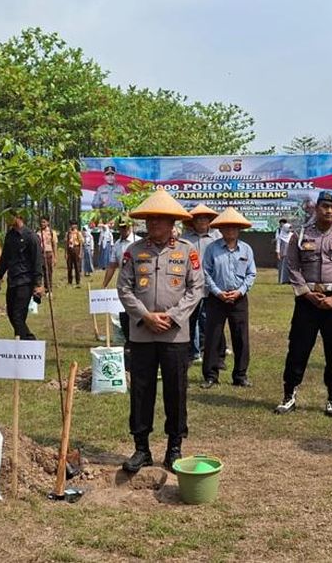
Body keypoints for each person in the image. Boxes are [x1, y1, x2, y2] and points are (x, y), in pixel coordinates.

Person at [117, 189, 203, 472]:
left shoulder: (187, 252)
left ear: (171, 224)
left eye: (160, 220)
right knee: (141, 389)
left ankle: (174, 447)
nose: (154, 224)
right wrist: (145, 316)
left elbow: (196, 289)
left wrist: (172, 316)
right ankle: (141, 448)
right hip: (142, 332)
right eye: (150, 220)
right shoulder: (134, 251)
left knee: (176, 390)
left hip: (175, 334)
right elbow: (124, 288)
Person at [274, 190, 332, 417]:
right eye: (324, 206)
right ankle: (289, 395)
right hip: (307, 301)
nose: (328, 211)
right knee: (298, 349)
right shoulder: (300, 235)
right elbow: (292, 266)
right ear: (316, 208)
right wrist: (305, 293)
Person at [200, 207, 257, 388]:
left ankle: (240, 375)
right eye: (226, 227)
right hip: (216, 299)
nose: (230, 231)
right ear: (221, 230)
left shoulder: (246, 250)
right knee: (212, 336)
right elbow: (206, 272)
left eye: (234, 227)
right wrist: (218, 292)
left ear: (239, 229)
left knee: (241, 337)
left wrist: (240, 291)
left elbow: (251, 274)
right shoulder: (212, 249)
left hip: (239, 298)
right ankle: (210, 375)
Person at [0, 206, 45, 341]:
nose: (7, 220)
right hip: (13, 280)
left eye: (9, 217)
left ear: (18, 217)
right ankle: (29, 340)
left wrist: (38, 284)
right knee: (11, 313)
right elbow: (5, 258)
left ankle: (25, 344)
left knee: (18, 315)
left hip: (26, 281)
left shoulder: (31, 236)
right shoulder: (10, 236)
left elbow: (37, 261)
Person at [183, 204, 221, 364]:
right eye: (198, 219)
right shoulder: (185, 238)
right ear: (193, 222)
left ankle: (213, 353)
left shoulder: (216, 236)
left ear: (209, 221)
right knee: (191, 319)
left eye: (204, 219)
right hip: (191, 285)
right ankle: (193, 352)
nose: (201, 222)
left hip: (211, 285)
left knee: (210, 321)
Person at [102, 218, 140, 347]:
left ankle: (137, 341)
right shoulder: (117, 244)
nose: (123, 230)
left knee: (137, 313)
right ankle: (129, 341)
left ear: (130, 227)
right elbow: (112, 266)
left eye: (125, 227)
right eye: (121, 228)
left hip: (139, 284)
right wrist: (104, 285)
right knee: (124, 316)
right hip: (124, 285)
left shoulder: (139, 241)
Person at [38, 216, 58, 293]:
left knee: (48, 273)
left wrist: (55, 257)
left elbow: (54, 245)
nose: (42, 223)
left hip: (48, 253)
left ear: (48, 222)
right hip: (40, 254)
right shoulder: (38, 232)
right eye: (41, 222)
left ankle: (49, 290)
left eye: (44, 222)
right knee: (39, 272)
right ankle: (39, 290)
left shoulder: (52, 232)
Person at [64, 221, 85, 287]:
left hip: (76, 249)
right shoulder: (68, 233)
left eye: (74, 224)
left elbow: (81, 243)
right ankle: (69, 281)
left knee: (77, 266)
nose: (73, 226)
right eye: (71, 225)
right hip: (69, 250)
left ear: (76, 225)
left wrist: (80, 252)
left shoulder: (78, 233)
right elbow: (66, 243)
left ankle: (77, 281)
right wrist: (66, 253)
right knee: (69, 266)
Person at [275, 218, 292, 284]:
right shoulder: (280, 235)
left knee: (289, 267)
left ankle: (289, 280)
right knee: (282, 267)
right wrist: (278, 253)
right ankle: (282, 280)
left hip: (290, 253)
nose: (290, 229)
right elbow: (278, 245)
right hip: (282, 253)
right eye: (289, 228)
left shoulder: (292, 235)